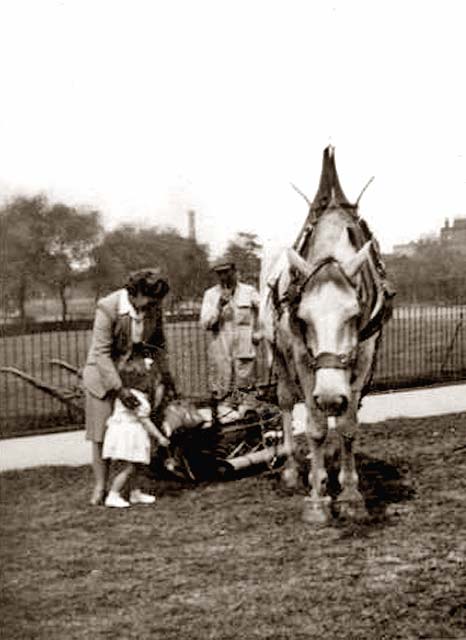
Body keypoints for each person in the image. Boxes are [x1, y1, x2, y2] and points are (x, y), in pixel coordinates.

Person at [82, 267, 173, 506]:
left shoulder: (153, 308)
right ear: (134, 292)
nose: (153, 305)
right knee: (102, 433)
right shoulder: (108, 306)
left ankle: (133, 488)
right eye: (150, 299)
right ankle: (101, 486)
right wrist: (118, 389)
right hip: (103, 376)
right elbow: (101, 353)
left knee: (136, 431)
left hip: (135, 376)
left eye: (156, 301)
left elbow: (159, 345)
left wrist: (165, 374)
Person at [102, 353, 170, 508]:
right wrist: (160, 437)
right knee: (129, 467)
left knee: (137, 465)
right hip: (128, 435)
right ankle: (113, 494)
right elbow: (145, 420)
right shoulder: (134, 399)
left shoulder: (128, 394)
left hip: (131, 433)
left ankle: (135, 492)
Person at [200, 259, 260, 401]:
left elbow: (264, 312)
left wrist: (259, 332)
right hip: (222, 348)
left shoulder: (249, 291)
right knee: (223, 390)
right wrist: (219, 307)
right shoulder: (210, 295)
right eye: (219, 273)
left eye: (227, 272)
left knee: (246, 392)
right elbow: (205, 324)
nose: (223, 277)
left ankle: (246, 412)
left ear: (234, 272)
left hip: (244, 349)